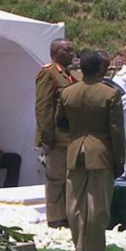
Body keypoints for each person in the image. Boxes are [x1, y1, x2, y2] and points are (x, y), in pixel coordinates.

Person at [56, 51, 125, 251]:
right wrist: (119, 159)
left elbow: (61, 122)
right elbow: (116, 131)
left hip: (75, 149)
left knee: (75, 202)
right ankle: (96, 249)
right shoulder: (110, 94)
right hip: (101, 151)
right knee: (98, 202)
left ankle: (80, 247)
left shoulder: (68, 92)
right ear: (100, 69)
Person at [35, 38, 77, 228]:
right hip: (56, 138)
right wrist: (47, 137)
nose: (71, 53)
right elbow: (43, 107)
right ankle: (54, 218)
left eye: (71, 50)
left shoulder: (68, 74)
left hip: (69, 137)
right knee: (56, 179)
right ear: (55, 53)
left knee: (69, 179)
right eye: (66, 50)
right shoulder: (48, 73)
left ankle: (66, 215)